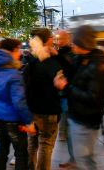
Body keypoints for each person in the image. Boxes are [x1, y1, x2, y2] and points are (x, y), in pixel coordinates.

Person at [54, 25, 104, 170]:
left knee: (84, 160)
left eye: (75, 41)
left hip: (86, 119)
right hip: (78, 115)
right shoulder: (82, 59)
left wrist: (65, 87)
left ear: (82, 43)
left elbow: (92, 97)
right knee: (84, 159)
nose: (71, 44)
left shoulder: (97, 65)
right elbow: (73, 75)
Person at [0, 38, 35, 170]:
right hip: (14, 120)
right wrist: (29, 121)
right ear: (13, 51)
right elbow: (19, 101)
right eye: (18, 49)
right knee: (21, 153)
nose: (19, 53)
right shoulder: (14, 74)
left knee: (1, 151)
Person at [22, 28, 62, 170]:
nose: (53, 39)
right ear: (47, 40)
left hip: (33, 110)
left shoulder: (29, 63)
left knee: (32, 144)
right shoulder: (52, 63)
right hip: (49, 110)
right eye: (51, 37)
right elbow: (62, 85)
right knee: (45, 145)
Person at [55, 30, 76, 168]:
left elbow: (69, 70)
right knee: (67, 127)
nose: (58, 40)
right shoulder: (64, 53)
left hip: (67, 96)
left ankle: (75, 159)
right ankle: (75, 158)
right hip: (64, 96)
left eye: (60, 38)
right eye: (57, 38)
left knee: (70, 128)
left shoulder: (68, 54)